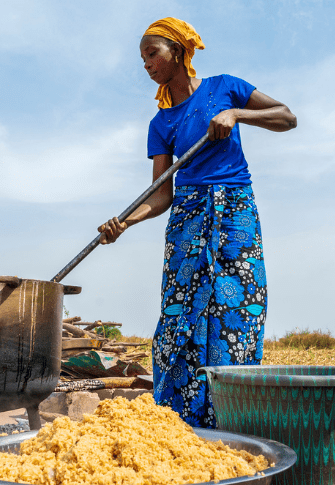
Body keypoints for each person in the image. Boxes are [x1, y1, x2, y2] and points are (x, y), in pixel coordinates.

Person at [97, 17, 297, 428]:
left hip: (234, 213)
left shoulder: (225, 87)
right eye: (143, 57)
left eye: (152, 53)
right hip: (188, 218)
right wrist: (124, 223)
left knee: (235, 310)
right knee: (180, 316)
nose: (146, 64)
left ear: (177, 50)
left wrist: (237, 115)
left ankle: (234, 421)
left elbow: (287, 117)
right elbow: (161, 195)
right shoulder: (161, 124)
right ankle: (179, 423)